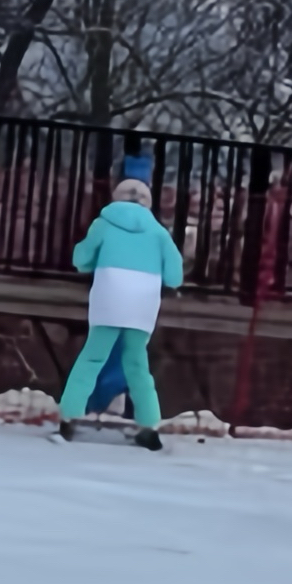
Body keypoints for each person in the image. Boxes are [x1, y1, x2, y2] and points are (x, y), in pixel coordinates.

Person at [58, 156, 184, 451]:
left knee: (91, 359)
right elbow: (175, 276)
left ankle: (68, 417)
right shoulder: (158, 232)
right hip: (142, 306)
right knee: (137, 364)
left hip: (109, 301)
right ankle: (149, 426)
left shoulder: (104, 224)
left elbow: (81, 259)